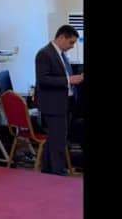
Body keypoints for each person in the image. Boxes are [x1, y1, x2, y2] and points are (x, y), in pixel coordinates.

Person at [34, 25, 83, 176]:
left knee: (54, 139)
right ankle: (58, 172)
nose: (72, 46)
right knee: (59, 140)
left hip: (63, 103)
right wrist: (69, 80)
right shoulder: (44, 54)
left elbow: (63, 75)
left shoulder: (61, 54)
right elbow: (43, 79)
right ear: (61, 37)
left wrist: (75, 78)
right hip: (53, 104)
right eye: (71, 42)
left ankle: (48, 170)